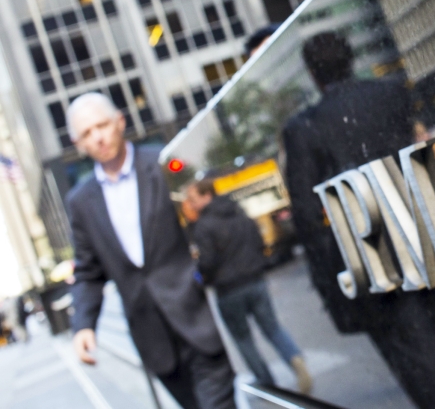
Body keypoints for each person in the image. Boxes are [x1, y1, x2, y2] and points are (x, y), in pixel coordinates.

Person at [282, 31, 435, 409]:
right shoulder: (391, 95)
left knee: (419, 360)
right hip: (422, 229)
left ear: (312, 73)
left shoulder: (304, 128)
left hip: (374, 254)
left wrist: (330, 279)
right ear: (350, 58)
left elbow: (306, 215)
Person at [66, 92, 235, 409]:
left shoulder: (162, 163)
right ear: (78, 143)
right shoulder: (80, 202)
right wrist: (83, 325)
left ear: (120, 121)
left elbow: (204, 220)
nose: (98, 137)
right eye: (87, 133)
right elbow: (87, 271)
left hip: (197, 316)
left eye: (102, 125)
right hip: (154, 340)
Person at [184, 179, 312, 394]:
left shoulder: (204, 226)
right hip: (255, 280)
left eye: (193, 198)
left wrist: (201, 278)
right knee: (272, 328)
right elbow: (258, 241)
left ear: (207, 196)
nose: (191, 203)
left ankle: (267, 384)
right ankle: (294, 357)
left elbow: (208, 261)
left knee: (243, 340)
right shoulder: (237, 212)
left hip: (228, 291)